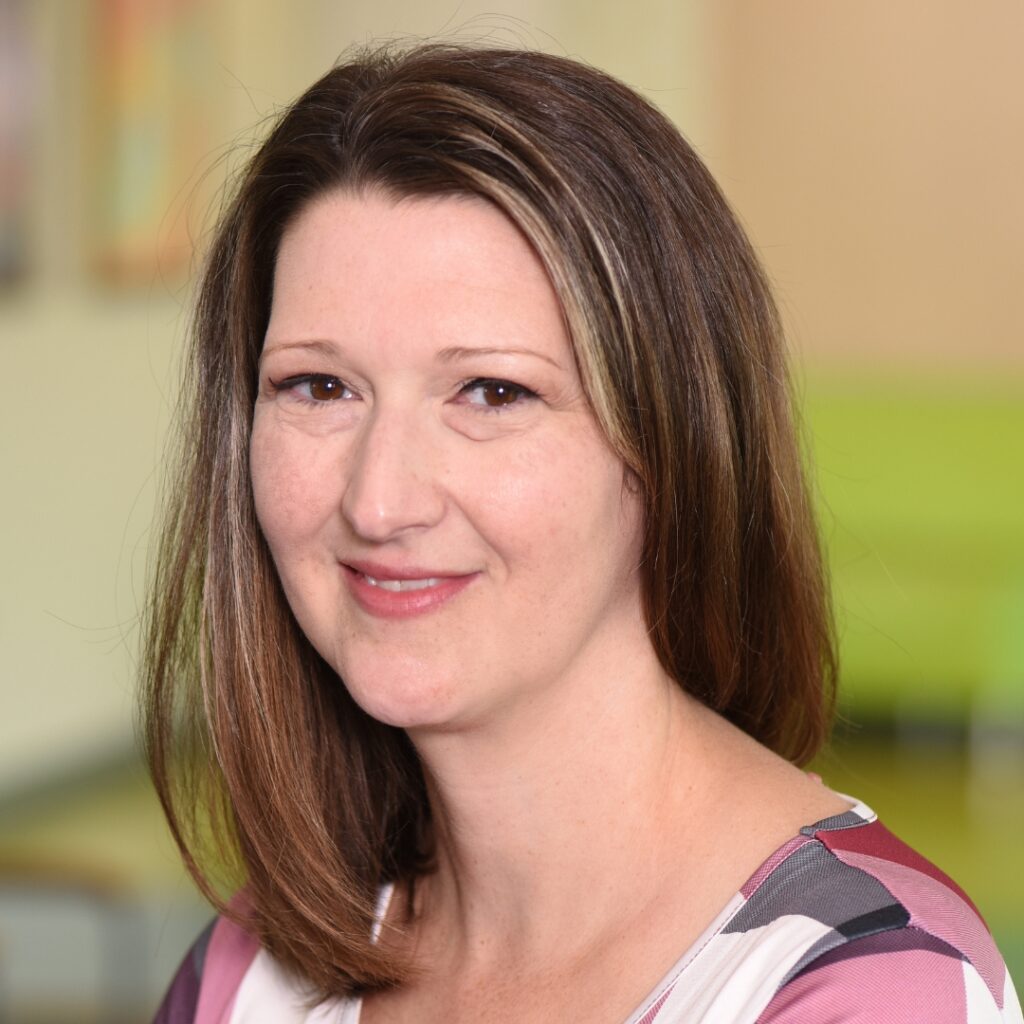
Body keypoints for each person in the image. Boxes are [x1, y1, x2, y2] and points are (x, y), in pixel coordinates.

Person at [145, 43, 1021, 1024]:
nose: (378, 501)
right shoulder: (251, 969)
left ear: (670, 442)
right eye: (319, 385)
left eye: (492, 391)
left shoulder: (869, 988)